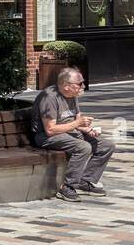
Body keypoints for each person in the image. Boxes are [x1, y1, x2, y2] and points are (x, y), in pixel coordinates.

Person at [32, 67, 115, 201]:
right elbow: (50, 130)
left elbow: (75, 120)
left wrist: (86, 129)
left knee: (106, 146)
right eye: (80, 83)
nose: (83, 86)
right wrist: (77, 124)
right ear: (66, 85)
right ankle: (67, 186)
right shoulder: (49, 98)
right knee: (83, 147)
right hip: (46, 137)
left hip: (68, 132)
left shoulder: (72, 95)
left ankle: (84, 181)